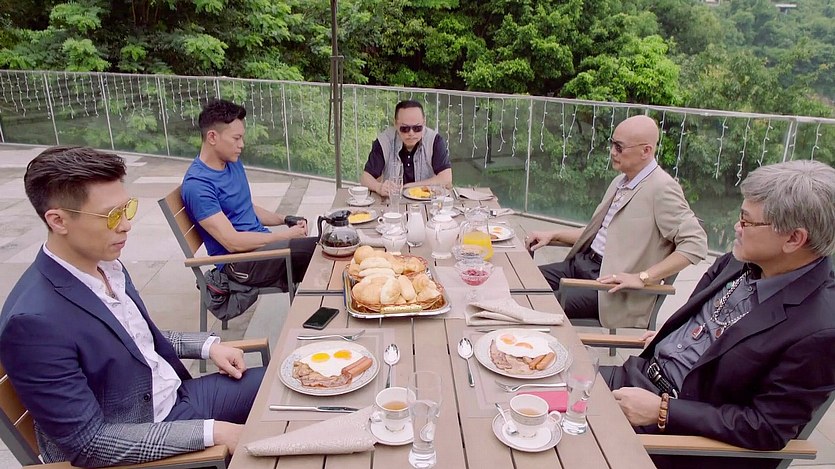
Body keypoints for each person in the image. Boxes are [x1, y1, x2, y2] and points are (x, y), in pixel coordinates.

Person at [0, 146, 264, 467]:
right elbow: (90, 444)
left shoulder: (104, 264)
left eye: (127, 209)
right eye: (112, 215)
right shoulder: (33, 323)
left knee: (290, 387)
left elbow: (132, 338)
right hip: (140, 440)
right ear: (58, 220)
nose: (126, 225)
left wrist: (208, 347)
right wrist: (215, 433)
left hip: (175, 397)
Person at [603, 160, 835, 469]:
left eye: (746, 221)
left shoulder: (820, 329)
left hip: (681, 437)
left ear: (794, 239)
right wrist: (672, 336)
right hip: (639, 377)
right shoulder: (739, 261)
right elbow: (697, 320)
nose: (737, 228)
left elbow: (766, 427)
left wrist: (663, 410)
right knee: (548, 387)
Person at [526, 115, 708, 328]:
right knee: (522, 283)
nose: (613, 152)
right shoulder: (620, 182)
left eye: (619, 147)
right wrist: (553, 235)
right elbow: (603, 233)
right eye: (612, 144)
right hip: (582, 265)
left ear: (646, 151)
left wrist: (643, 277)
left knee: (536, 305)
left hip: (610, 288)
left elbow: (695, 244)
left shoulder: (662, 188)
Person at [181, 99, 316, 291]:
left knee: (330, 242)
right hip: (240, 264)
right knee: (322, 249)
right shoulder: (198, 185)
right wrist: (284, 237)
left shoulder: (231, 162)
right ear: (212, 137)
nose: (242, 145)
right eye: (236, 138)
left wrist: (284, 219)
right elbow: (232, 242)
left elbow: (246, 207)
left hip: (260, 252)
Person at [361, 100, 452, 196]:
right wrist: (379, 187)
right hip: (393, 200)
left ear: (424, 122)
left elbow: (446, 178)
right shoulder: (384, 141)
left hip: (427, 200)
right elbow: (365, 178)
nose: (411, 133)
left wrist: (409, 187)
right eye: (405, 128)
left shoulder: (434, 140)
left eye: (417, 128)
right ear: (395, 124)